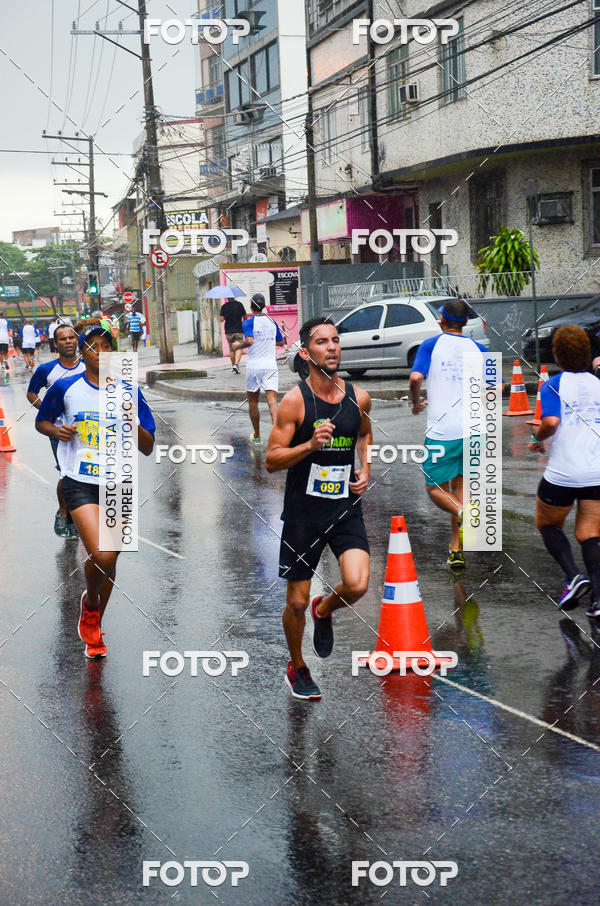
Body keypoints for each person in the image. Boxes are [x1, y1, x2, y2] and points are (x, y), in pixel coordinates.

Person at [35, 319, 156, 658]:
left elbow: (147, 446)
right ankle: (89, 602)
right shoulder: (66, 388)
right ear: (83, 353)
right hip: (79, 481)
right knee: (101, 554)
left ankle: (95, 625)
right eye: (93, 347)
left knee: (111, 561)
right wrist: (56, 431)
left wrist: (130, 420)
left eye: (107, 348)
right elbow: (42, 419)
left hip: (119, 483)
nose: (100, 353)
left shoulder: (130, 392)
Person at [266, 316, 372, 700]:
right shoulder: (295, 402)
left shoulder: (358, 398)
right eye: (322, 342)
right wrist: (309, 447)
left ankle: (324, 610)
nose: (332, 348)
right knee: (295, 600)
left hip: (344, 506)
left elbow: (365, 433)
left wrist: (365, 468)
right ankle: (297, 667)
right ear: (306, 353)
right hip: (303, 513)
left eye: (336, 341)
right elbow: (272, 459)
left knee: (358, 584)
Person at [409, 298, 489, 570]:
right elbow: (497, 386)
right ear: (466, 323)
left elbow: (416, 378)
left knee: (434, 489)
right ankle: (456, 549)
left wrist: (415, 402)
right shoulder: (479, 348)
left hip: (443, 432)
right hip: (475, 430)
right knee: (459, 488)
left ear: (441, 320)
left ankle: (466, 514)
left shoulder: (431, 345)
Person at [529, 325, 600, 616]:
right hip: (596, 473)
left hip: (562, 474)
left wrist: (536, 438)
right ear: (587, 354)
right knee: (590, 533)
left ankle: (573, 576)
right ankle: (597, 602)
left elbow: (552, 423)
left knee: (548, 524)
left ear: (557, 355)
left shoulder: (553, 385)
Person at [27, 323, 85, 537]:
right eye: (63, 339)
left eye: (71, 337)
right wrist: (48, 411)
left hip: (87, 430)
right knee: (67, 473)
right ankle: (63, 512)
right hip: (59, 431)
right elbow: (32, 394)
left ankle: (82, 514)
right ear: (55, 344)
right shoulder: (46, 370)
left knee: (87, 471)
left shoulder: (88, 365)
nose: (68, 341)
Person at [232, 294, 286, 444]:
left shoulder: (248, 323)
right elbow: (281, 342)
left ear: (251, 306)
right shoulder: (271, 321)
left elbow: (249, 340)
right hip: (270, 366)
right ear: (263, 306)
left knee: (253, 402)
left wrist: (238, 346)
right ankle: (277, 436)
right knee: (272, 400)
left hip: (254, 367)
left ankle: (257, 435)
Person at [219, 294, 247, 374]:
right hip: (239, 330)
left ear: (227, 297)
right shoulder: (239, 305)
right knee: (238, 348)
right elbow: (245, 318)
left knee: (232, 349)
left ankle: (233, 367)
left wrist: (223, 315)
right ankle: (236, 365)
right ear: (234, 296)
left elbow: (221, 320)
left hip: (229, 331)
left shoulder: (224, 306)